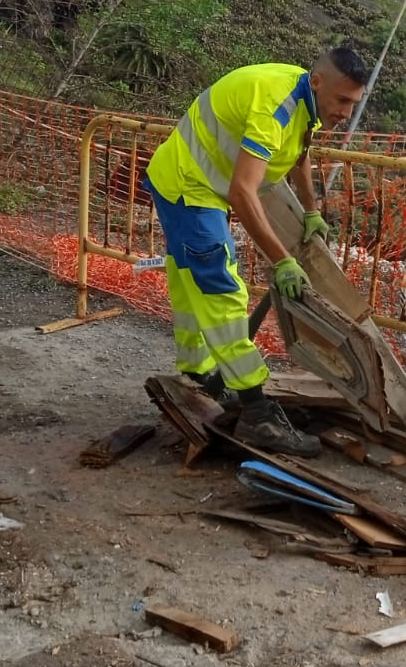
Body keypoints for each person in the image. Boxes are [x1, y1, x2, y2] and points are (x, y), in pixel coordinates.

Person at [143, 47, 370, 456]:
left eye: (354, 103)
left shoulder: (306, 96)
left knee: (188, 278)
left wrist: (311, 210)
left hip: (198, 184)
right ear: (317, 82)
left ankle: (200, 373)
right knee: (219, 286)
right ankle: (255, 413)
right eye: (342, 101)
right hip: (189, 186)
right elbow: (243, 192)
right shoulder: (274, 104)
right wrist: (282, 259)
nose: (346, 112)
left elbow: (299, 150)